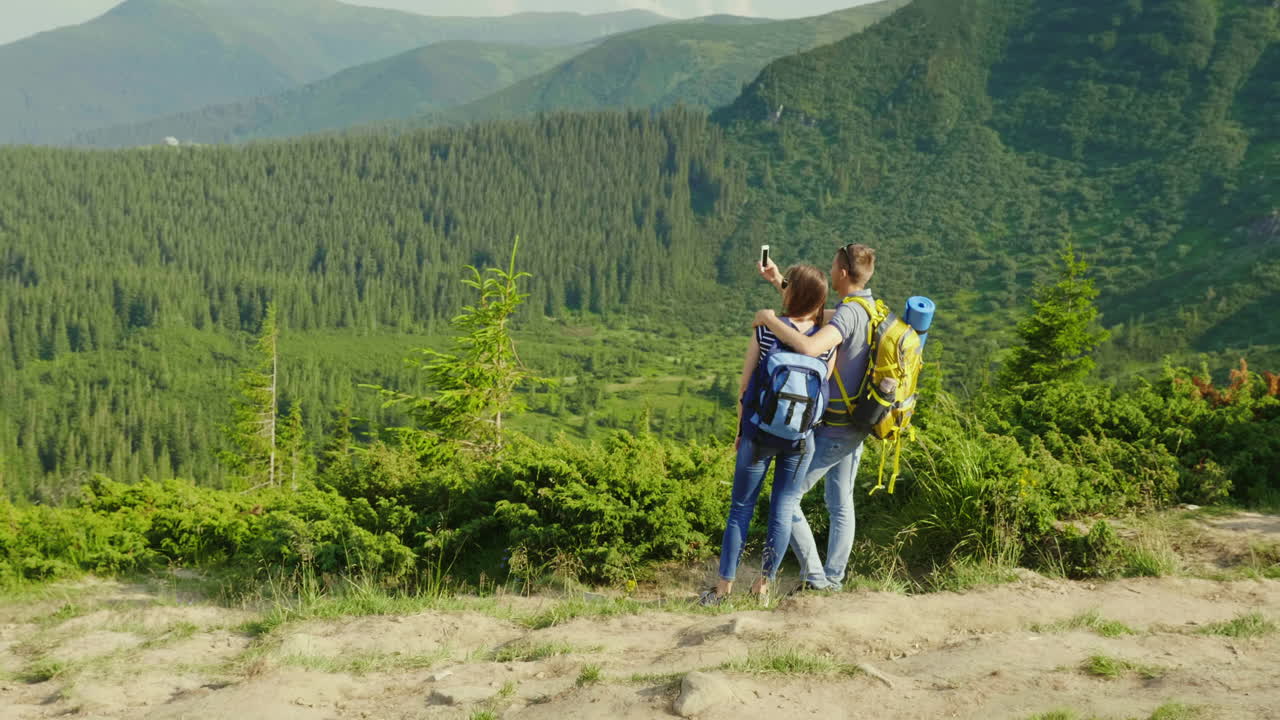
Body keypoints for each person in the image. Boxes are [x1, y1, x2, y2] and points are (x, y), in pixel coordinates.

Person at [702, 264, 837, 605]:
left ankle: (722, 591)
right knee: (782, 509)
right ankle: (763, 589)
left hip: (759, 434)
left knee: (740, 509)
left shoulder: (766, 331)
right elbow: (823, 390)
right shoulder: (826, 340)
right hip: (799, 440)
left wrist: (739, 432)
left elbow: (745, 386)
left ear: (791, 292)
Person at [754, 243, 877, 591]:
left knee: (788, 499)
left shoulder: (850, 314)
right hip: (857, 422)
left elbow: (810, 346)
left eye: (833, 264)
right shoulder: (866, 306)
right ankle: (833, 579)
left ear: (841, 272)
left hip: (837, 427)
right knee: (839, 501)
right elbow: (816, 312)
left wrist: (769, 320)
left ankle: (817, 579)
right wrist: (780, 281)